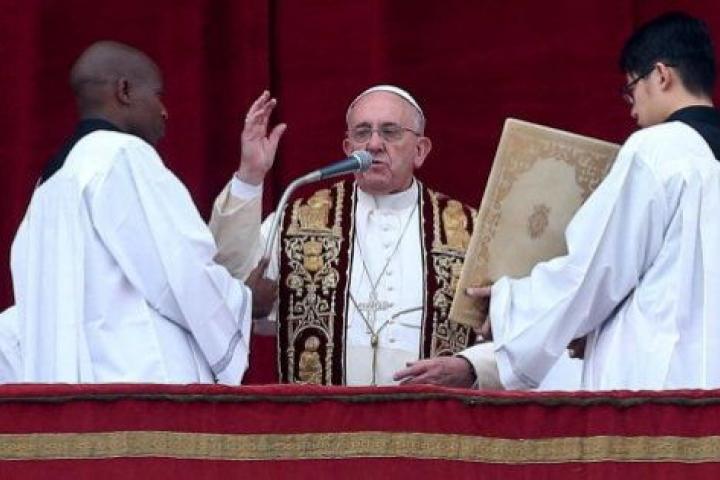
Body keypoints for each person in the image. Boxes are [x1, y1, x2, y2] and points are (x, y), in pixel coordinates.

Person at [394, 12, 720, 390]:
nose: (631, 108)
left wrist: (510, 303)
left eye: (631, 89)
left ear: (661, 75)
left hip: (664, 390)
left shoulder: (659, 150)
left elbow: (596, 270)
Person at [210, 85, 581, 387]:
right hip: (321, 432)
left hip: (432, 431)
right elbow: (227, 286)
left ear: (420, 150)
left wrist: (471, 367)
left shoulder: (470, 232)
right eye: (362, 132)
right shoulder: (296, 220)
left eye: (390, 132)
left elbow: (524, 331)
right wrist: (249, 176)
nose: (374, 144)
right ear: (348, 148)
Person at [5, 41, 276, 383]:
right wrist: (247, 302)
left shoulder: (49, 185)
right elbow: (182, 270)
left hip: (72, 393)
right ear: (125, 91)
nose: (164, 112)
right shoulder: (122, 156)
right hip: (138, 389)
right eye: (158, 95)